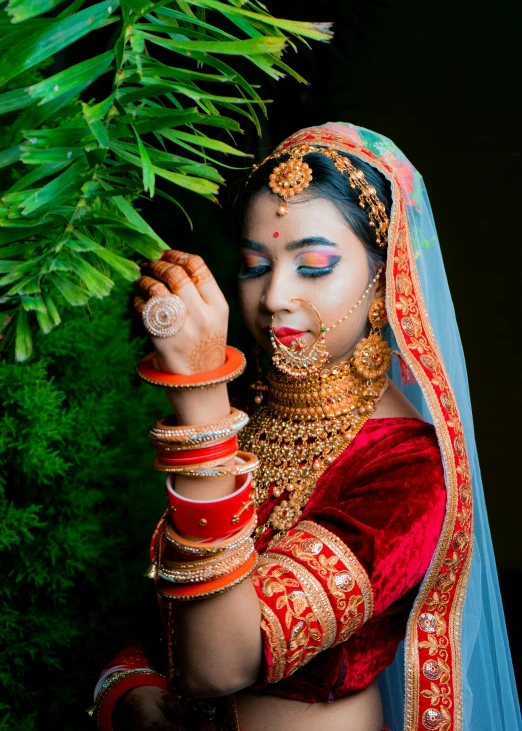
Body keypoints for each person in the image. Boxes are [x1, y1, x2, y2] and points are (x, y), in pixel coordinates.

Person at [89, 124, 521, 731]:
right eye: (254, 266)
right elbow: (161, 620)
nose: (274, 296)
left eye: (314, 265)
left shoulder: (406, 468)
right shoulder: (241, 411)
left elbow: (223, 663)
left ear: (383, 280)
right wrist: (132, 691)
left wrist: (201, 397)